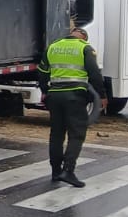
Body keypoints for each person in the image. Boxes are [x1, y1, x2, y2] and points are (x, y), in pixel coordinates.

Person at [38, 26, 106, 188]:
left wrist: (44, 91)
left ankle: (55, 171)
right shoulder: (85, 48)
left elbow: (42, 72)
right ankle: (68, 171)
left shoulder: (53, 47)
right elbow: (94, 74)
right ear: (83, 37)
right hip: (75, 96)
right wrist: (102, 96)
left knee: (56, 134)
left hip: (55, 96)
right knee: (76, 133)